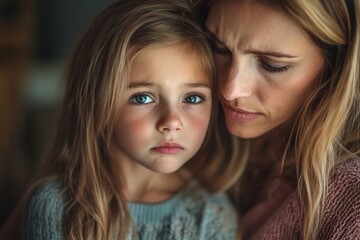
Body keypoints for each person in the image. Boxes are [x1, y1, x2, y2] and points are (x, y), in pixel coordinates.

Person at [20, 0, 245, 239]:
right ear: (97, 102)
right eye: (142, 98)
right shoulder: (57, 206)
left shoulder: (214, 218)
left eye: (192, 98)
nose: (171, 121)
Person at [194, 0, 360, 239]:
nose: (230, 90)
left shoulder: (351, 202)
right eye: (219, 47)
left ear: (336, 66)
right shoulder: (186, 129)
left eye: (273, 65)